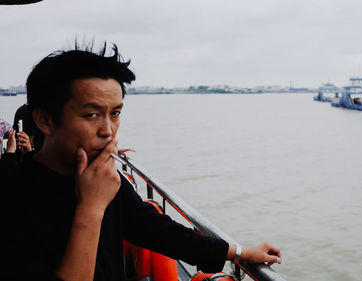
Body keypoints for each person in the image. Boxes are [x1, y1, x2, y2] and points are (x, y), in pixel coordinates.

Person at [2, 43, 281, 281]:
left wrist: (239, 253)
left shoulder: (107, 180)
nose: (108, 130)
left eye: (115, 113)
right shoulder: (13, 194)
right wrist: (91, 207)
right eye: (91, 115)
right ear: (45, 120)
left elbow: (159, 230)